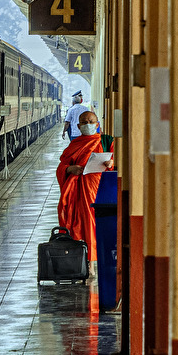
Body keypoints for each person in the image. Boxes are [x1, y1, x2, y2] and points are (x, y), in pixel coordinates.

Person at [56, 110, 111, 279]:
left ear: (97, 124)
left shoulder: (106, 141)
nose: (88, 124)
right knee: (80, 224)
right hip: (78, 193)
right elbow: (62, 167)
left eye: (91, 121)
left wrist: (111, 163)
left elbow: (118, 160)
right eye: (84, 122)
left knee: (96, 225)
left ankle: (96, 261)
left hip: (99, 190)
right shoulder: (74, 145)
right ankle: (82, 261)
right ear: (79, 126)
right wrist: (70, 169)